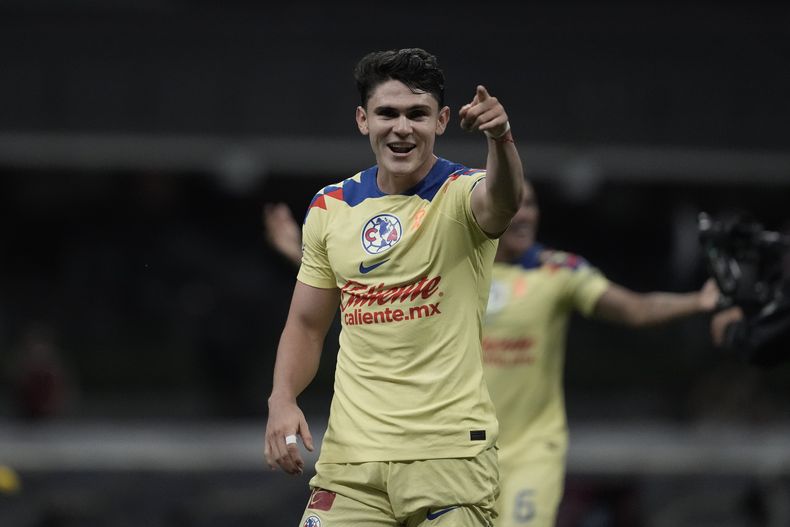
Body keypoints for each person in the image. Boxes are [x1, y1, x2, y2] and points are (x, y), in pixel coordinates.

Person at [265, 181, 720, 527]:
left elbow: (633, 308)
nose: (522, 215)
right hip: (443, 451)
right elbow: (364, 288)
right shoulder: (448, 265)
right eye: (513, 205)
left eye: (533, 205)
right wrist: (300, 252)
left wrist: (697, 301)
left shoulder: (558, 273)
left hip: (525, 454)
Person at [264, 47, 525, 526]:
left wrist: (500, 137)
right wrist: (282, 399)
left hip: (449, 460)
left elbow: (505, 200)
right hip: (351, 465)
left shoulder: (463, 193)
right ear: (364, 120)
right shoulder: (330, 206)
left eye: (417, 114)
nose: (401, 127)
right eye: (387, 113)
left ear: (441, 120)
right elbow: (306, 325)